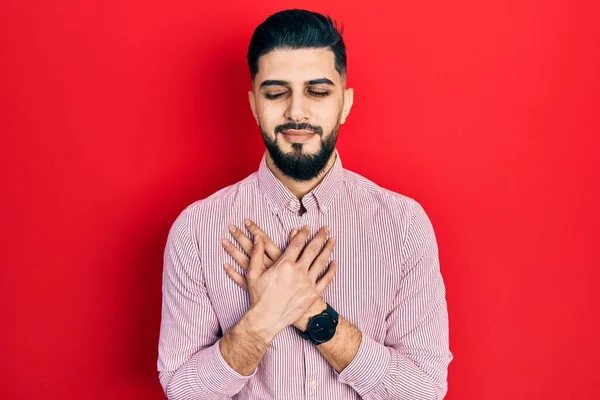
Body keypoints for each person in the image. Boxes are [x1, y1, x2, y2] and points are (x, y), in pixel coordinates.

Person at [157, 8, 452, 400]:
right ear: (253, 104)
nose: (297, 111)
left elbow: (425, 391)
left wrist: (313, 314)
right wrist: (261, 322)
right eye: (277, 93)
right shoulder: (196, 231)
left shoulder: (404, 227)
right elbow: (182, 391)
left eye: (317, 91)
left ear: (345, 104)